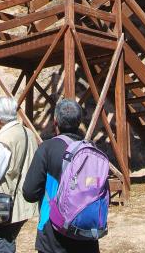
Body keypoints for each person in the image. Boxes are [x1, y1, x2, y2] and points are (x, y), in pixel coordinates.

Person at [22, 99, 100, 253]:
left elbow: (29, 193)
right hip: (86, 234)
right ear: (79, 122)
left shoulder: (47, 149)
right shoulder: (91, 149)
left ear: (55, 121)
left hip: (54, 236)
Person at [0, 96, 38, 253]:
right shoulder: (28, 133)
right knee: (7, 240)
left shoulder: (5, 138)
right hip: (22, 202)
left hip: (3, 204)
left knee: (0, 242)